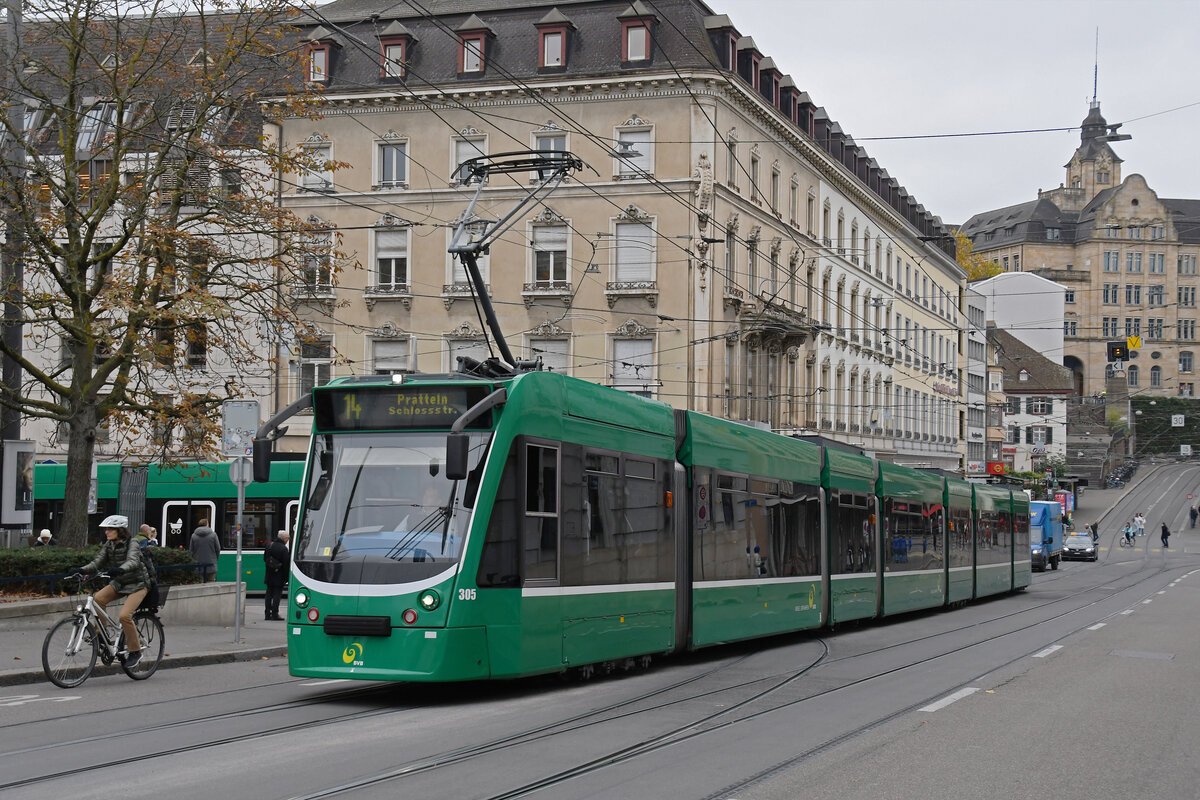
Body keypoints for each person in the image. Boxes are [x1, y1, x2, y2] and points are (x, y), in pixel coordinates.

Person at [74, 515, 150, 668]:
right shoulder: (109, 545)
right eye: (106, 529)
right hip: (120, 583)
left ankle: (135, 652)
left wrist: (121, 569)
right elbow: (98, 562)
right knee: (97, 599)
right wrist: (81, 570)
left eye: (110, 529)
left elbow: (133, 560)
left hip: (138, 584)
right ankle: (101, 635)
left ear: (119, 530)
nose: (106, 532)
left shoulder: (132, 543)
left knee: (124, 616)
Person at [263, 530, 291, 621]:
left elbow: (265, 559)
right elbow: (286, 564)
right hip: (279, 575)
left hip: (269, 574)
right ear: (284, 538)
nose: (288, 540)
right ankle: (275, 614)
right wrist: (287, 578)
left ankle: (267, 613)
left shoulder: (269, 545)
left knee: (269, 594)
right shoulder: (283, 549)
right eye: (288, 538)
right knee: (277, 595)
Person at [188, 517, 221, 582]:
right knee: (211, 583)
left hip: (198, 566)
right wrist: (214, 559)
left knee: (200, 584)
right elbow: (218, 548)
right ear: (207, 524)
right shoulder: (213, 535)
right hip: (211, 564)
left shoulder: (193, 536)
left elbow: (191, 550)